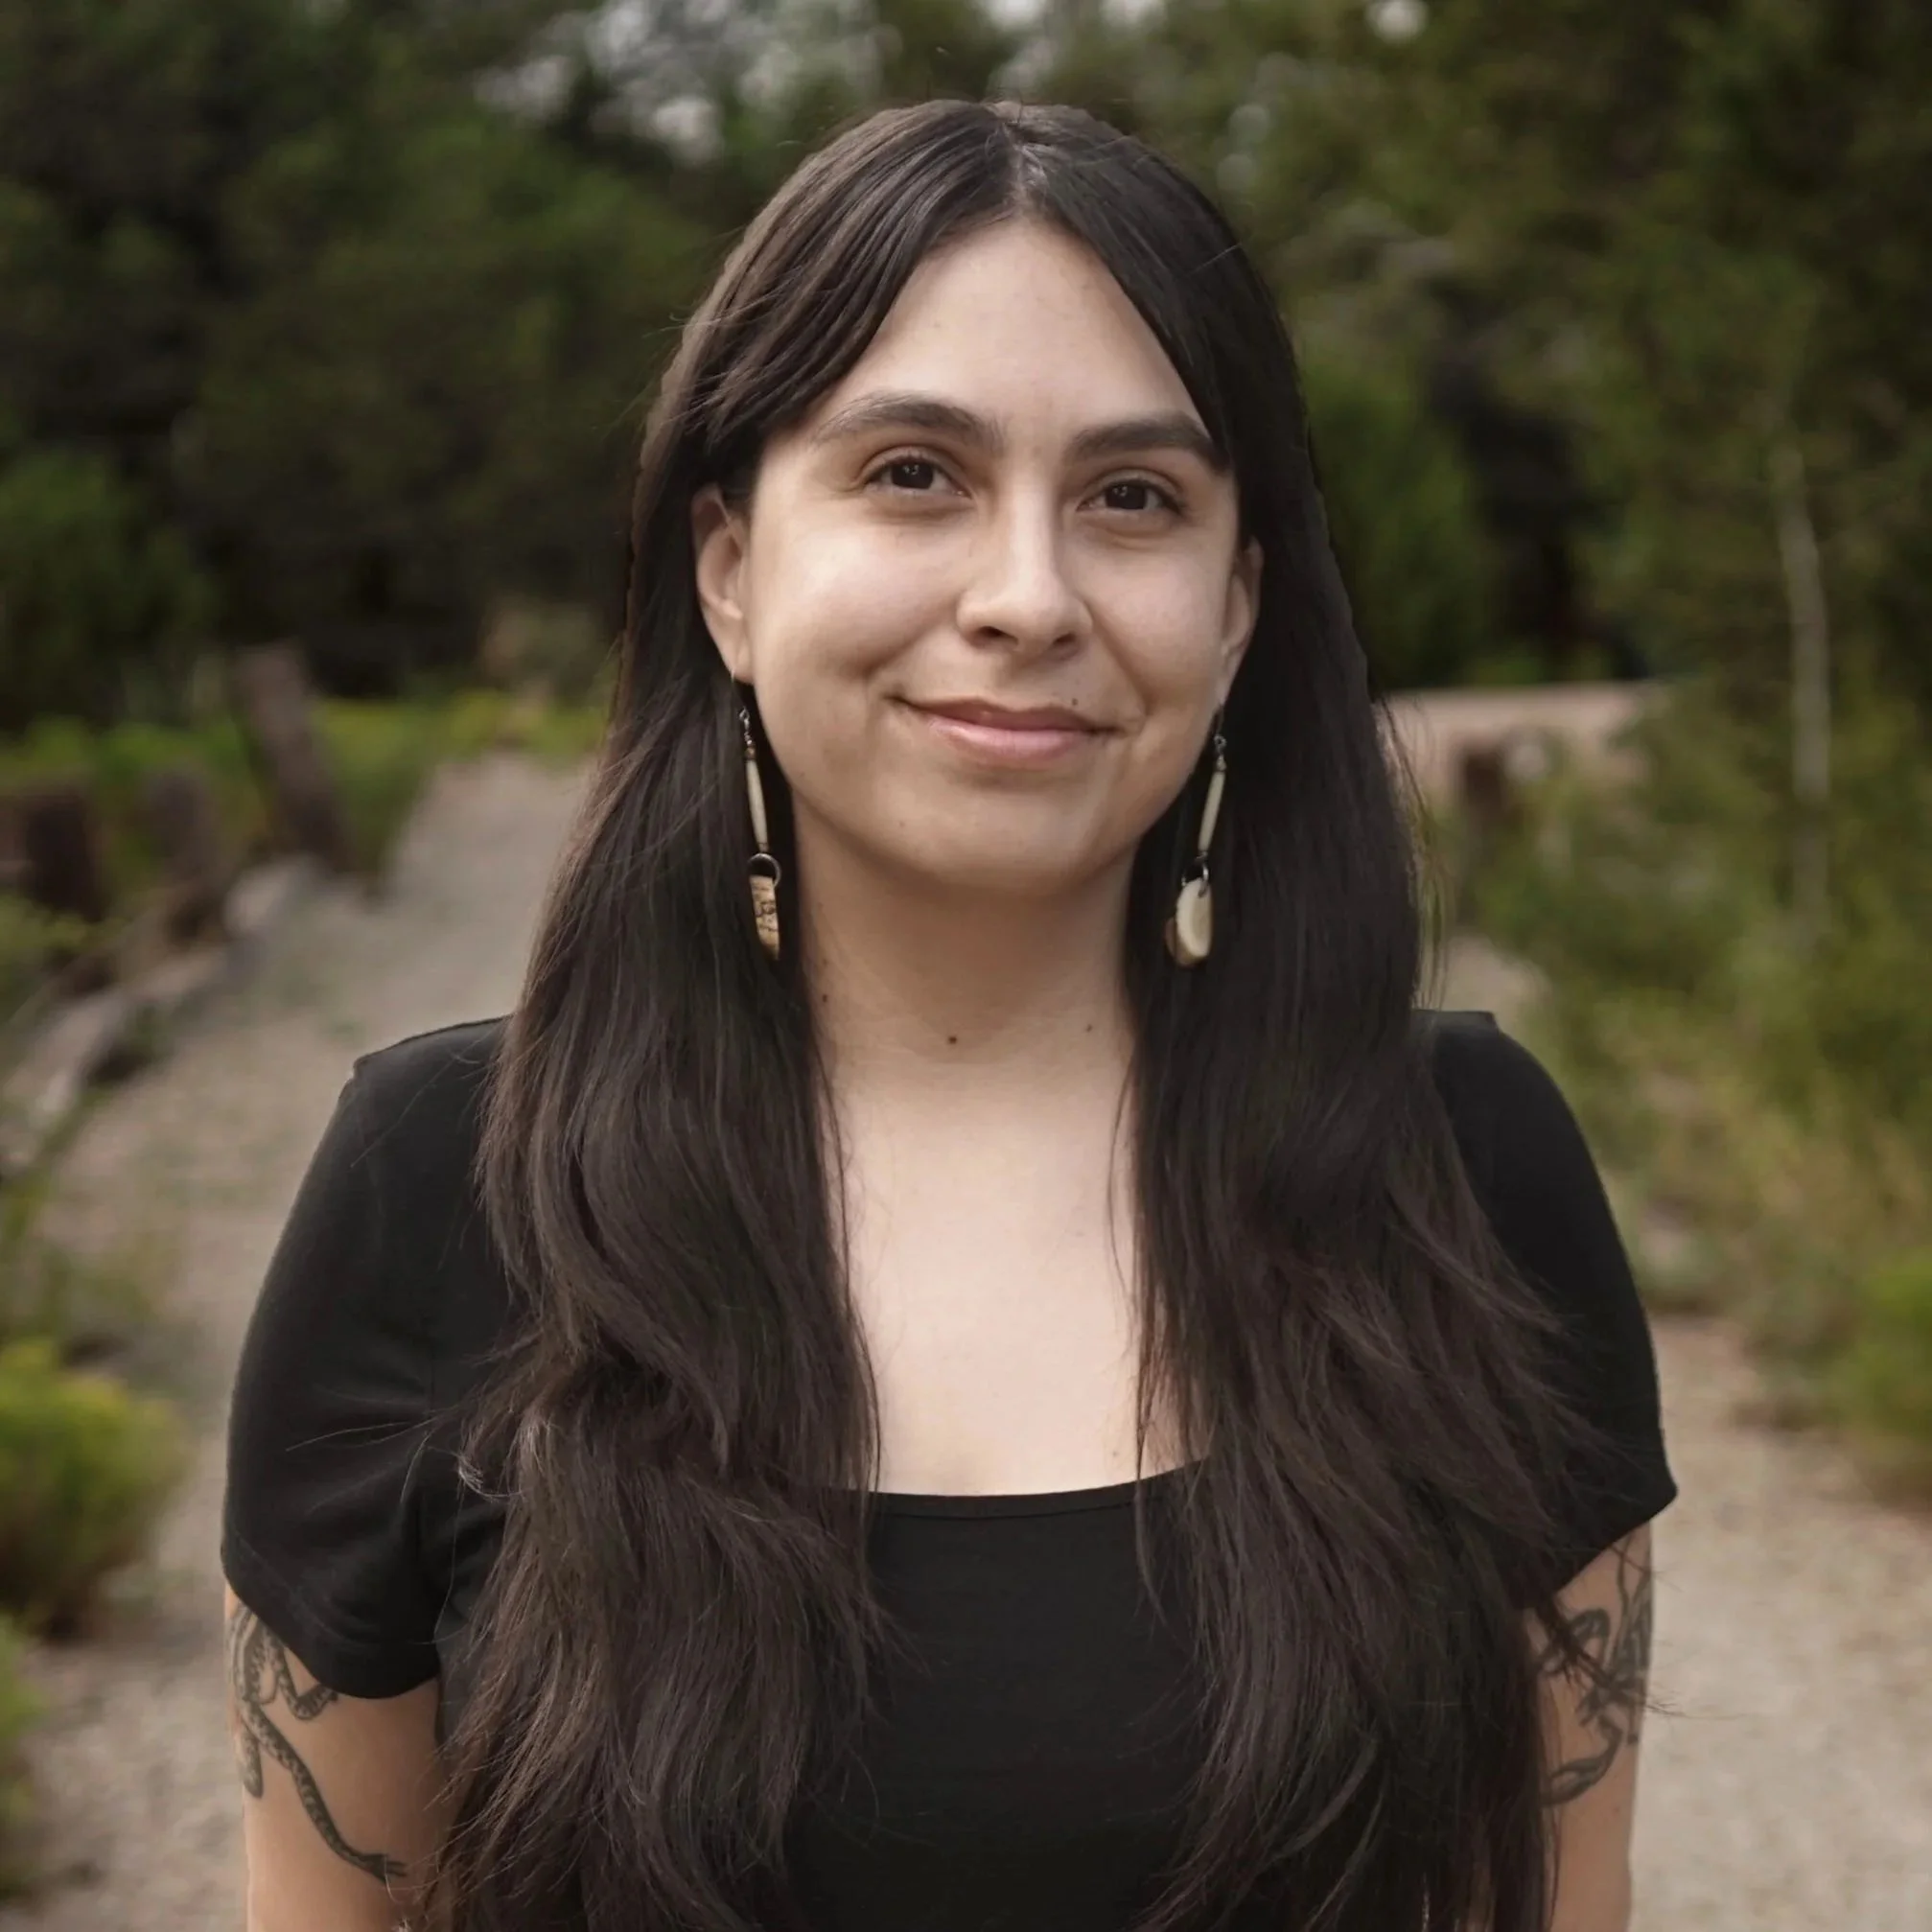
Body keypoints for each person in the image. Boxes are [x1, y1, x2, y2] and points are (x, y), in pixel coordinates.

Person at [221, 97, 1675, 1932]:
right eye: (914, 472)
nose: (1027, 598)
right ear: (729, 570)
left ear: (1235, 609)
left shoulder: (1462, 1174)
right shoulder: (443, 1191)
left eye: (1132, 498)